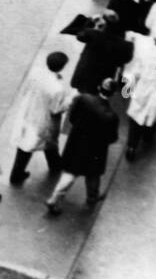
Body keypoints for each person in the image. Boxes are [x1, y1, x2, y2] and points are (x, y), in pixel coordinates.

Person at [46, 79, 118, 215]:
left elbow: (72, 118)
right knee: (93, 175)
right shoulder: (111, 116)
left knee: (69, 173)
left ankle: (54, 198)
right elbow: (112, 138)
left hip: (76, 144)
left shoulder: (83, 99)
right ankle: (92, 198)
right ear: (113, 94)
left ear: (98, 87)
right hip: (95, 150)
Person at [10, 51, 71, 185]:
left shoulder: (36, 73)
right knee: (31, 145)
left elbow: (25, 90)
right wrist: (67, 103)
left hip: (28, 112)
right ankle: (16, 175)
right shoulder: (57, 88)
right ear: (62, 67)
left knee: (34, 143)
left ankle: (54, 164)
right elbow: (55, 109)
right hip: (42, 120)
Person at [122, 34, 156, 160]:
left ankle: (131, 147)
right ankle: (148, 136)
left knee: (135, 119)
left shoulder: (145, 54)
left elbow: (134, 73)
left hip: (142, 91)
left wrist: (127, 91)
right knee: (154, 116)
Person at [70, 13, 133, 94]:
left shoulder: (94, 34)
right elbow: (126, 60)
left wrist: (91, 21)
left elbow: (80, 35)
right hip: (101, 81)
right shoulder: (127, 45)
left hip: (82, 77)